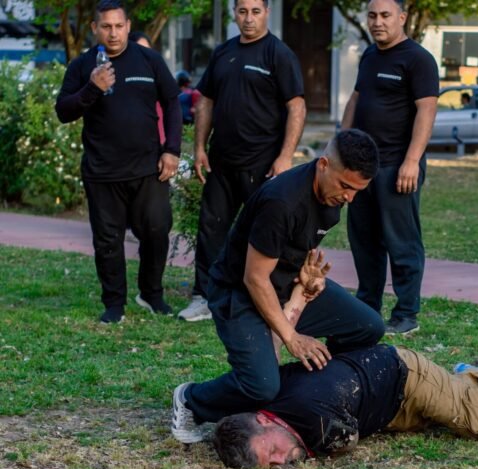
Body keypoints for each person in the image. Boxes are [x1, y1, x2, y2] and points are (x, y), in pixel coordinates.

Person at [208, 283, 478, 469]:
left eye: (272, 452)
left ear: (263, 421)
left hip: (406, 380)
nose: (283, 460)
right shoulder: (264, 398)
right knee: (458, 405)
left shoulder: (316, 426)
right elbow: (271, 358)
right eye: (273, 465)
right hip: (386, 398)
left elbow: (345, 442)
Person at [171, 130, 386, 444]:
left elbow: (293, 251)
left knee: (368, 326)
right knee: (260, 386)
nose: (349, 198)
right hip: (240, 292)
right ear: (324, 164)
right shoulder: (282, 201)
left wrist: (309, 279)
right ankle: (192, 400)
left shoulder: (332, 196)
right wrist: (291, 337)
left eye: (357, 190)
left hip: (284, 285)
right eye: (345, 186)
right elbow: (254, 278)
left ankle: (320, 390)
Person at [177, 0, 307, 323]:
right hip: (221, 162)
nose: (248, 19)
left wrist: (285, 157)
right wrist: (199, 148)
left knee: (267, 233)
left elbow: (297, 107)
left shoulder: (278, 54)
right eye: (242, 11)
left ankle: (274, 298)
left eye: (255, 11)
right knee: (211, 229)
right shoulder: (223, 52)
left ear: (267, 12)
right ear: (234, 13)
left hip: (262, 165)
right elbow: (205, 101)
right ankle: (205, 297)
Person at [55, 0, 182, 324]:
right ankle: (114, 304)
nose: (113, 33)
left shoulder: (149, 60)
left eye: (119, 25)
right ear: (95, 28)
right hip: (102, 171)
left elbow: (171, 103)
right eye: (106, 26)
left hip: (147, 168)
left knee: (157, 229)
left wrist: (172, 150)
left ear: (127, 25)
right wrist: (91, 89)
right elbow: (64, 111)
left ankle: (151, 294)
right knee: (107, 240)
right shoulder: (83, 66)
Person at [341, 0, 439, 335]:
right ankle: (367, 309)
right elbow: (356, 100)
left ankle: (406, 313)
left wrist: (411, 161)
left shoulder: (418, 59)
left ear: (402, 17)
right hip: (361, 168)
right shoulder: (369, 55)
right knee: (364, 240)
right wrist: (340, 147)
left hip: (397, 165)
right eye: (372, 16)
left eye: (385, 15)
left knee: (401, 241)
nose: (378, 22)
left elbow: (426, 111)